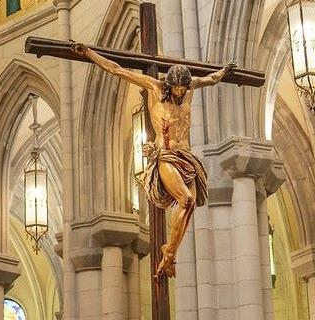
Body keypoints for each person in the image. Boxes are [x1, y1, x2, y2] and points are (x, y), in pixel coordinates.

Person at [71, 42, 237, 278]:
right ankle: (169, 255)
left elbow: (210, 79)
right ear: (170, 85)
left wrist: (224, 72)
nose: (181, 93)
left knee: (189, 206)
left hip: (187, 158)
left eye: (184, 88)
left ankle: (170, 251)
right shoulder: (155, 89)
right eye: (178, 88)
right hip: (165, 156)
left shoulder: (190, 89)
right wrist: (88, 53)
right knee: (187, 200)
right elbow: (117, 70)